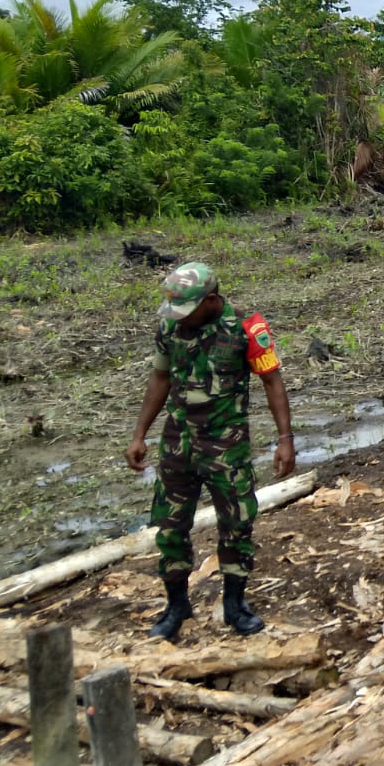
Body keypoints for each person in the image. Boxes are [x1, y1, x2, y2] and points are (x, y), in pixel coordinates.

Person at [126, 262, 296, 640]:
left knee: (236, 525)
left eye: (187, 310)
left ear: (211, 300)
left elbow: (272, 381)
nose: (180, 318)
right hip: (178, 444)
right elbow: (160, 377)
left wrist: (285, 438)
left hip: (226, 447)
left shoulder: (247, 328)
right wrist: (139, 434)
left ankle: (235, 605)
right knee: (171, 527)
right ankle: (176, 605)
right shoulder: (170, 327)